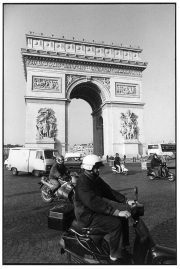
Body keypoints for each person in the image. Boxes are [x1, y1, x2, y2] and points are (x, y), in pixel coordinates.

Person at [74, 155, 135, 264]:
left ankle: (122, 249)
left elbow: (108, 191)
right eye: (96, 167)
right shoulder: (83, 182)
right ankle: (114, 258)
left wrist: (125, 200)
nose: (98, 170)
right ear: (89, 168)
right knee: (115, 223)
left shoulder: (94, 178)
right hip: (87, 216)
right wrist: (116, 212)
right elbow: (93, 201)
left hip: (94, 212)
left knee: (123, 219)